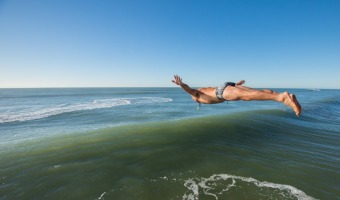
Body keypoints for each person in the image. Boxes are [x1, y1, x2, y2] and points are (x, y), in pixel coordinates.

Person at [172, 75, 301, 116]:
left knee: (249, 96)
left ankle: (283, 97)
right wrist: (237, 84)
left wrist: (181, 84)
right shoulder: (203, 91)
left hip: (222, 92)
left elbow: (189, 90)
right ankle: (283, 95)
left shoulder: (197, 95)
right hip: (227, 86)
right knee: (258, 92)